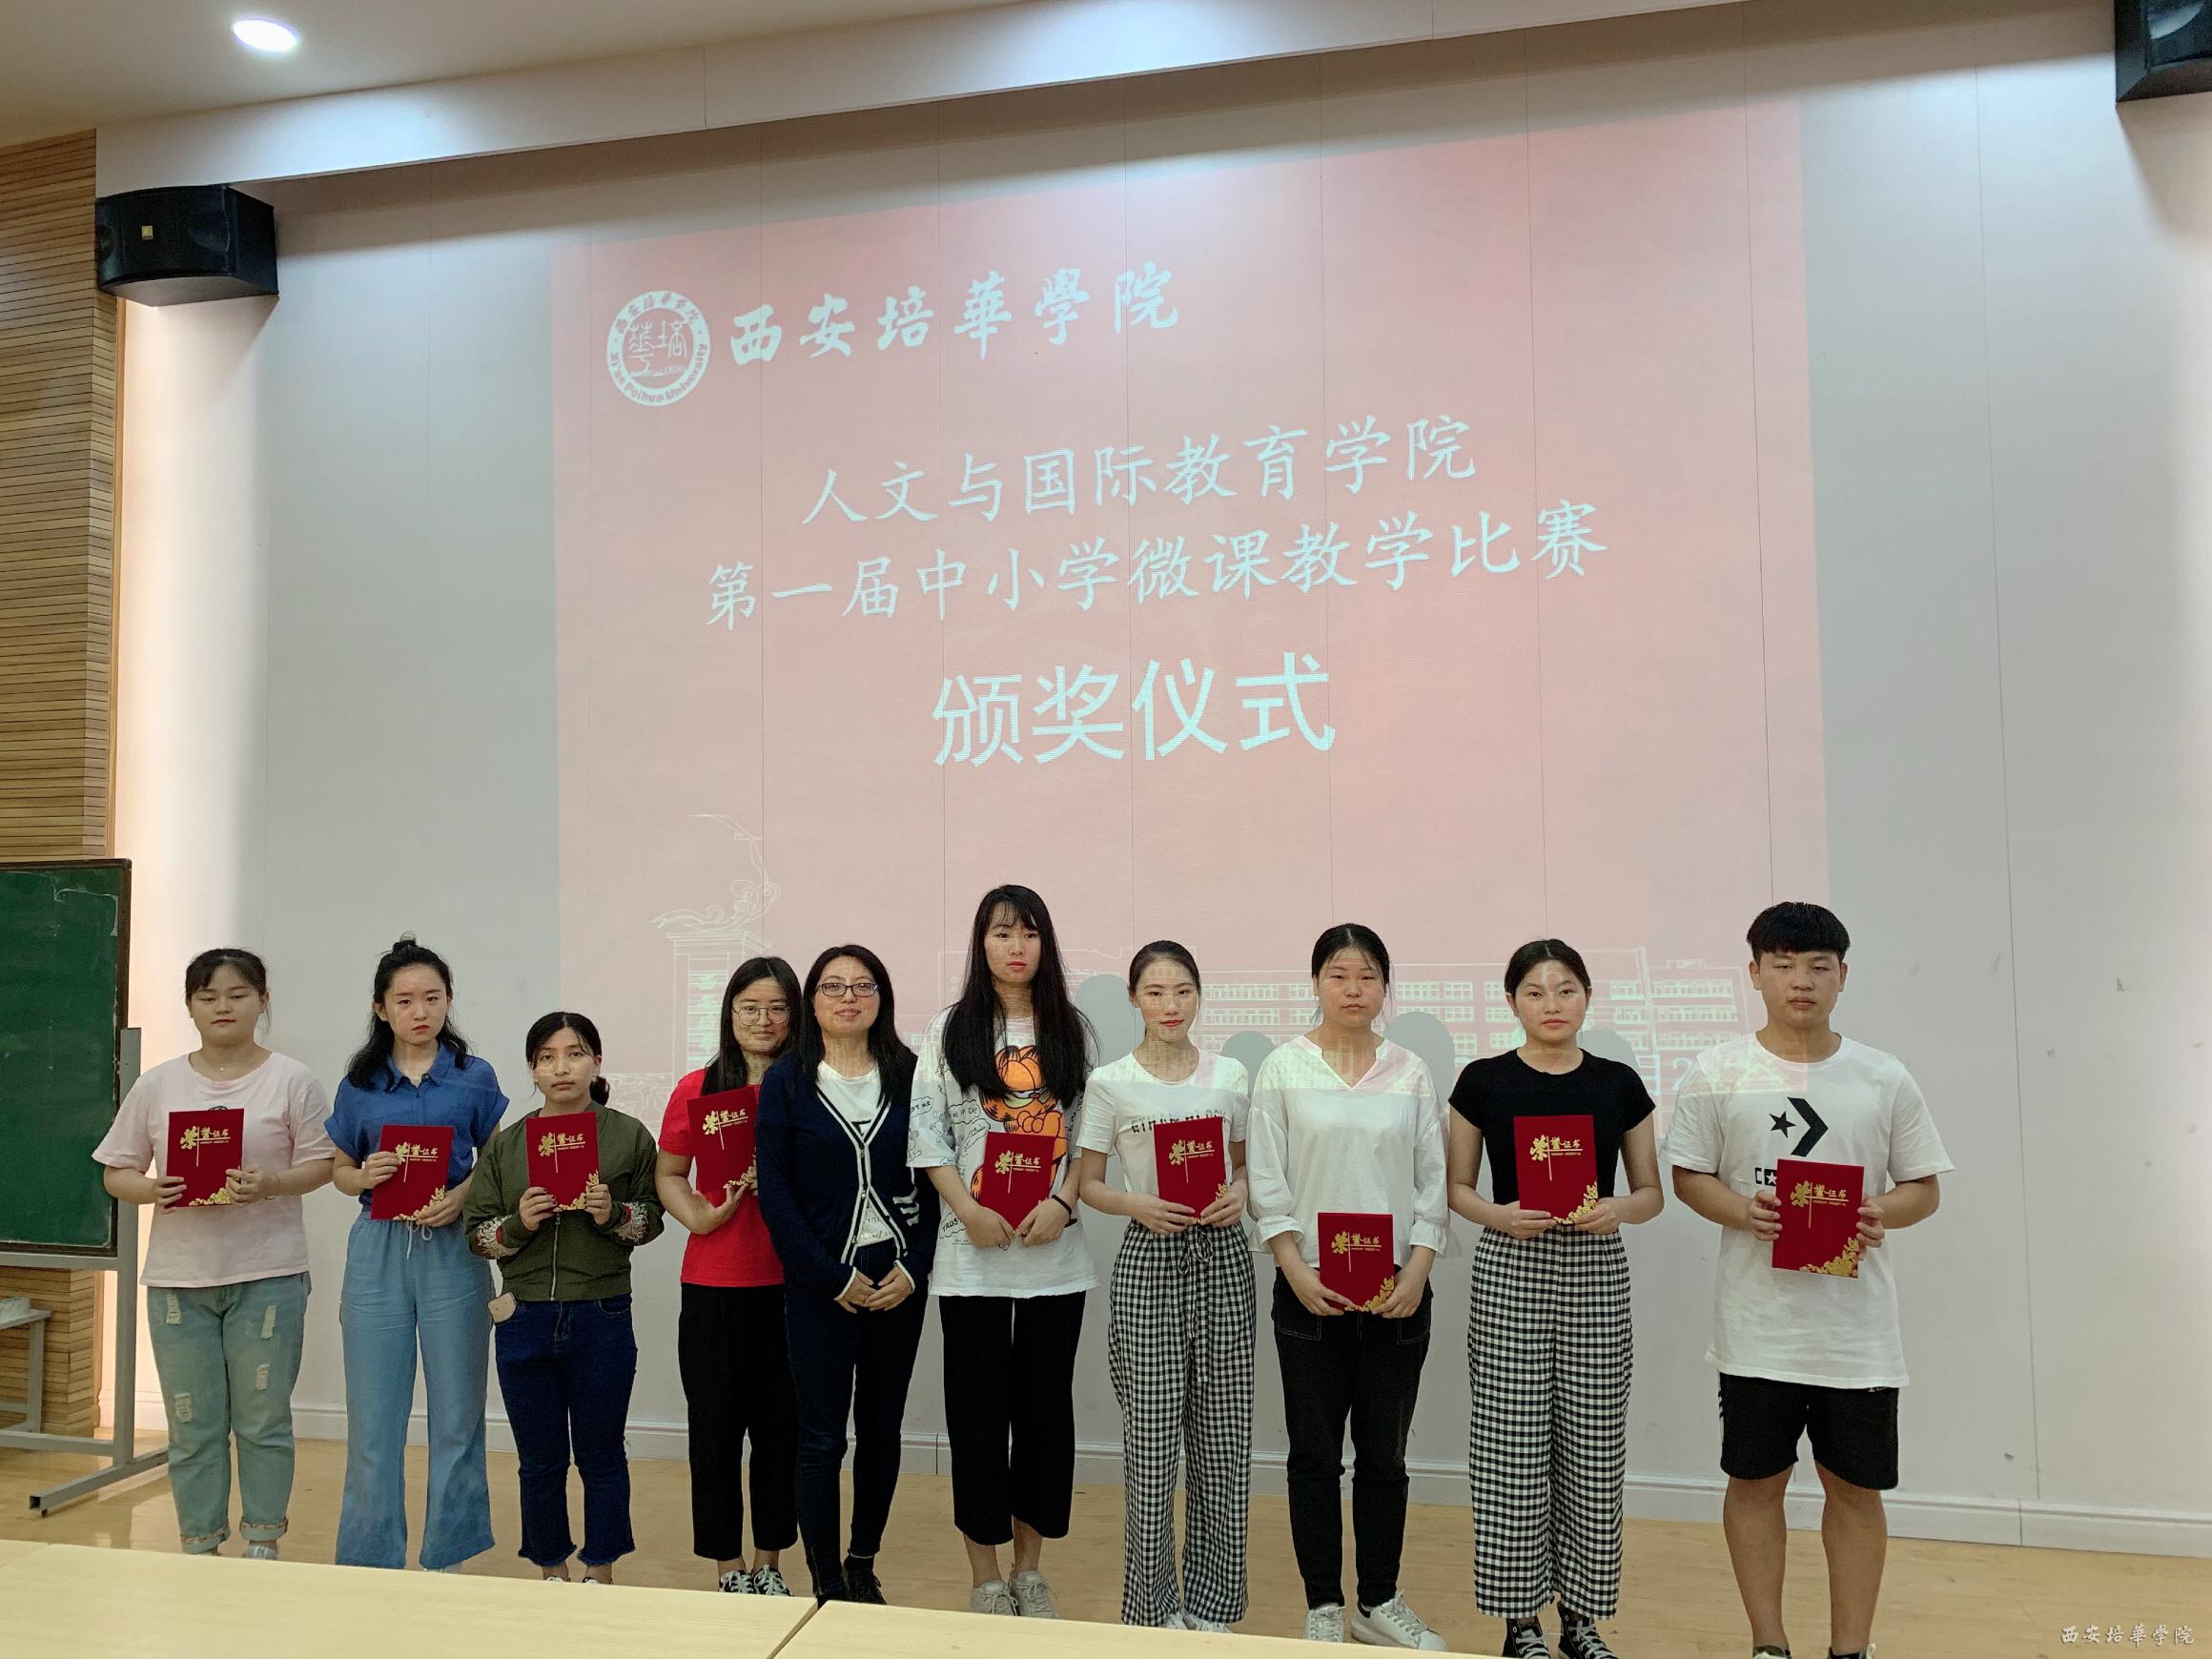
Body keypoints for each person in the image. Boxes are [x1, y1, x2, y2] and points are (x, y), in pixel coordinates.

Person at [1666, 903, 1951, 1659]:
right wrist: (1742, 1210)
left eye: (1819, 966)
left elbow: (1923, 1187)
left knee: (1855, 1490)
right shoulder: (1718, 1072)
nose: (1802, 981)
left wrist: (1879, 1210)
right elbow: (1689, 1176)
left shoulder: (1882, 1075)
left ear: (1842, 976)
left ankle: (1851, 1649)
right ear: (1755, 973)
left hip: (1856, 1335)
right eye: (1784, 965)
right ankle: (1769, 1644)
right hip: (1757, 1329)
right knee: (1755, 1484)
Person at [1446, 939, 1664, 1659]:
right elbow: (1457, 1189)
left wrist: (1618, 1210)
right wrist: (1500, 1215)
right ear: (1512, 1001)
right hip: (1511, 1263)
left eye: (1566, 989)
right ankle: (1519, 1623)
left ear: (1588, 997)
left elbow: (1651, 1193)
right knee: (1509, 1444)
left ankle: (1582, 1619)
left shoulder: (1618, 1083)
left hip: (1595, 1267)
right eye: (1535, 992)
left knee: (1593, 1445)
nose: (1552, 1004)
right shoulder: (1482, 1081)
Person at [1247, 923, 1450, 1650]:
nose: (1353, 989)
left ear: (1385, 987)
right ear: (1316, 983)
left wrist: (1417, 1271)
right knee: (1313, 1456)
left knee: (1384, 1458)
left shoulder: (1410, 1071)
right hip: (1309, 1292)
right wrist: (1294, 1269)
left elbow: (1432, 1182)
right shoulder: (1283, 1069)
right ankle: (1324, 1606)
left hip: (1397, 1292)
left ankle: (1379, 1600)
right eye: (1339, 974)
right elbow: (1266, 1180)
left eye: (1367, 976)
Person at [92, 948, 334, 1559]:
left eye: (237, 994)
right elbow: (117, 1172)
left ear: (263, 1001)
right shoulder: (158, 1084)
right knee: (192, 1422)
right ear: (190, 1007)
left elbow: (323, 1165)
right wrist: (153, 1189)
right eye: (207, 996)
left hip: (269, 1272)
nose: (222, 1006)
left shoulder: (293, 1080)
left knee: (263, 1419)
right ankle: (199, 1544)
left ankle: (263, 1542)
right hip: (181, 1278)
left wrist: (272, 1183)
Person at [908, 884, 1096, 1620]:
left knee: (1045, 1419)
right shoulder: (951, 1028)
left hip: (1055, 1258)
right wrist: (967, 1210)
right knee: (978, 1419)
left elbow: (1089, 1137)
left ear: (1045, 944)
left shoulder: (1071, 1028)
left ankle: (1029, 1570)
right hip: (971, 1258)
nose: (1016, 947)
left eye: (1029, 933)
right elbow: (927, 1133)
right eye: (1001, 933)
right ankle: (985, 1575)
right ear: (980, 943)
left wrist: (1064, 1202)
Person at [1075, 940, 1255, 1632]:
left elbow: (1247, 1167)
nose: (1171, 1005)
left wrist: (1240, 1194)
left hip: (1222, 1259)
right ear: (1134, 999)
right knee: (1151, 1446)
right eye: (1155, 992)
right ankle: (1152, 1610)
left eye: (1183, 991)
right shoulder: (1110, 1082)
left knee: (1222, 1441)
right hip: (1149, 1257)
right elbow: (1090, 1184)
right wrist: (1137, 1204)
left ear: (1199, 995)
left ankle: (1212, 1604)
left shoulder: (1229, 1075)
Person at [754, 945, 938, 1606]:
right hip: (820, 1286)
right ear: (813, 1002)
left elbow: (937, 1179)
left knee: (882, 1430)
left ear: (882, 998)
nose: (848, 998)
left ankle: (862, 1563)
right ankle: (826, 1578)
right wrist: (829, 1277)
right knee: (821, 1436)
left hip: (897, 1285)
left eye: (863, 986)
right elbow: (776, 1195)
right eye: (833, 987)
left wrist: (914, 1268)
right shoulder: (787, 1082)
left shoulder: (913, 1075)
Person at [326, 936, 507, 1572]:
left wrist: (461, 1196)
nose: (419, 1010)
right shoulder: (360, 1084)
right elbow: (339, 1170)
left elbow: (496, 1161)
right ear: (381, 1008)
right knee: (374, 1417)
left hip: (453, 1248)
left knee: (457, 1412)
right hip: (378, 1247)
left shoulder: (474, 1076)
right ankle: (370, 1558)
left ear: (449, 1000)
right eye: (404, 1000)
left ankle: (447, 1555)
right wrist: (363, 1175)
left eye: (432, 997)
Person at [464, 1012, 665, 1584]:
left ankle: (601, 1570)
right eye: (548, 1057)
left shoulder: (627, 1135)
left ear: (596, 1062)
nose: (562, 1068)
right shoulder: (508, 1144)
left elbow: (651, 1220)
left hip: (601, 1312)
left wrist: (613, 1214)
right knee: (539, 1460)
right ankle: (550, 1570)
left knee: (602, 1454)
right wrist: (519, 1223)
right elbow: (477, 1235)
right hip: (524, 1315)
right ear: (532, 1068)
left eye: (575, 1054)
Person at [656, 956, 803, 1595]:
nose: (763, 1020)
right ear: (729, 1014)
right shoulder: (698, 1088)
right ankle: (727, 1567)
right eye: (750, 1008)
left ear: (795, 1015)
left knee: (781, 1432)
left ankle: (770, 1563)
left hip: (794, 1284)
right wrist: (699, 1216)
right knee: (714, 1432)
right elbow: (669, 1173)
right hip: (714, 1282)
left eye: (777, 1008)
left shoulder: (810, 1087)